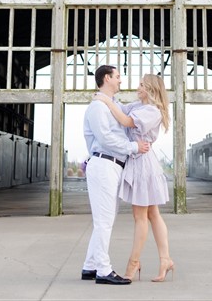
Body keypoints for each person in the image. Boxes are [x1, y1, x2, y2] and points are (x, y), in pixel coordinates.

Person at [94, 73, 175, 283]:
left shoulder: (152, 111)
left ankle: (134, 262)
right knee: (152, 214)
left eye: (141, 85)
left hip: (143, 164)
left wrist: (104, 101)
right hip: (140, 160)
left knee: (141, 216)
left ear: (150, 89)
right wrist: (109, 99)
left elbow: (126, 121)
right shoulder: (140, 105)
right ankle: (165, 259)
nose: (137, 87)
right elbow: (121, 109)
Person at [81, 65, 151, 286]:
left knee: (105, 219)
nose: (121, 80)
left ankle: (90, 266)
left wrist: (153, 95)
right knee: (104, 221)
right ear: (107, 78)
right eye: (118, 77)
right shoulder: (97, 108)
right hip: (103, 163)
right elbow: (105, 139)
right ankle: (103, 270)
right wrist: (133, 147)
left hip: (112, 166)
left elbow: (133, 110)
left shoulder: (113, 105)